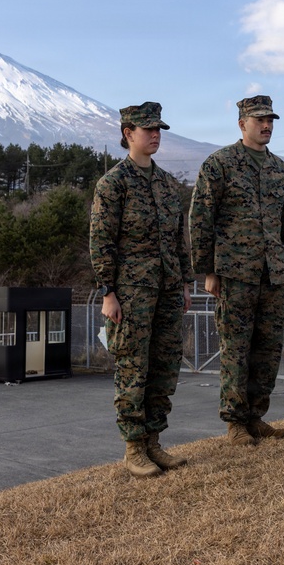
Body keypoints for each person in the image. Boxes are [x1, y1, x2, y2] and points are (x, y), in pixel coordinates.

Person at [89, 101, 193, 478]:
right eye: (147, 129)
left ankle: (153, 442)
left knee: (164, 367)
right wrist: (108, 292)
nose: (155, 135)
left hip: (167, 290)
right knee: (133, 367)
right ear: (128, 133)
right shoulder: (113, 183)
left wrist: (184, 283)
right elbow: (101, 240)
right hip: (131, 293)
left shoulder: (166, 184)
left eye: (158, 129)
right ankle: (134, 448)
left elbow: (179, 239)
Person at [189, 95, 284, 446]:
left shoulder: (280, 169)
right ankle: (235, 421)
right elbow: (201, 218)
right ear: (242, 124)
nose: (266, 125)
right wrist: (207, 270)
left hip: (272, 273)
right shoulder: (220, 164)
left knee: (268, 349)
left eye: (270, 120)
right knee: (236, 348)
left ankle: (256, 416)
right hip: (235, 273)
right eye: (259, 120)